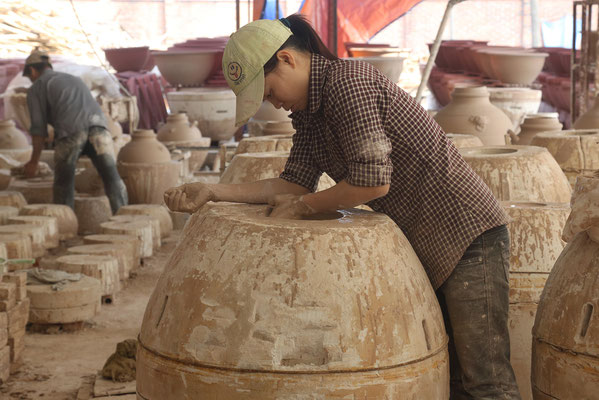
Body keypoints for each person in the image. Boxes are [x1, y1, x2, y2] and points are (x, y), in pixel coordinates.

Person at [164, 15, 521, 399]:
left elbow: (371, 181)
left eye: (268, 92)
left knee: (485, 382)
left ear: (287, 59)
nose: (275, 104)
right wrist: (215, 193)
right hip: (430, 243)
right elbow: (292, 183)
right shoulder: (310, 115)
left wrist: (303, 207)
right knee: (451, 376)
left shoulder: (347, 84)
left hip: (468, 235)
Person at [23, 50, 127, 213]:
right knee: (111, 176)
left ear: (32, 71)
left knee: (63, 182)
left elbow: (39, 130)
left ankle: (66, 226)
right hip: (99, 127)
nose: (30, 79)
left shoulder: (37, 87)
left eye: (29, 76)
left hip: (71, 131)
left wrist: (34, 162)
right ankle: (125, 217)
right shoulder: (73, 79)